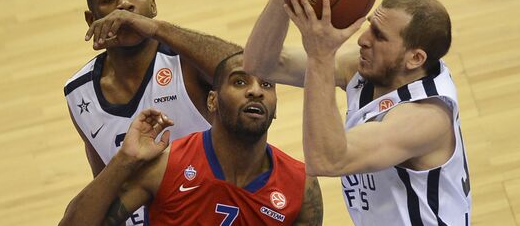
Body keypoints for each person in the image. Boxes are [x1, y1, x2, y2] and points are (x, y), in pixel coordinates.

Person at [244, 0, 472, 225]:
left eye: (379, 36)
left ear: (415, 58)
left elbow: (327, 159)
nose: (363, 40)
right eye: (370, 27)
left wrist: (320, 56)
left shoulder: (425, 118)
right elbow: (262, 63)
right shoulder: (368, 66)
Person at [64, 0, 241, 225]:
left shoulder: (186, 61)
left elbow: (247, 69)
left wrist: (157, 29)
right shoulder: (79, 92)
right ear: (92, 20)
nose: (124, 4)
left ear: (153, 7)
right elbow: (103, 185)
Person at [59, 52, 324, 226]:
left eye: (267, 85)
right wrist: (124, 160)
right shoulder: (164, 167)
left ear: (275, 109)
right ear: (212, 100)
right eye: (240, 82)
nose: (255, 91)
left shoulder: (301, 187)